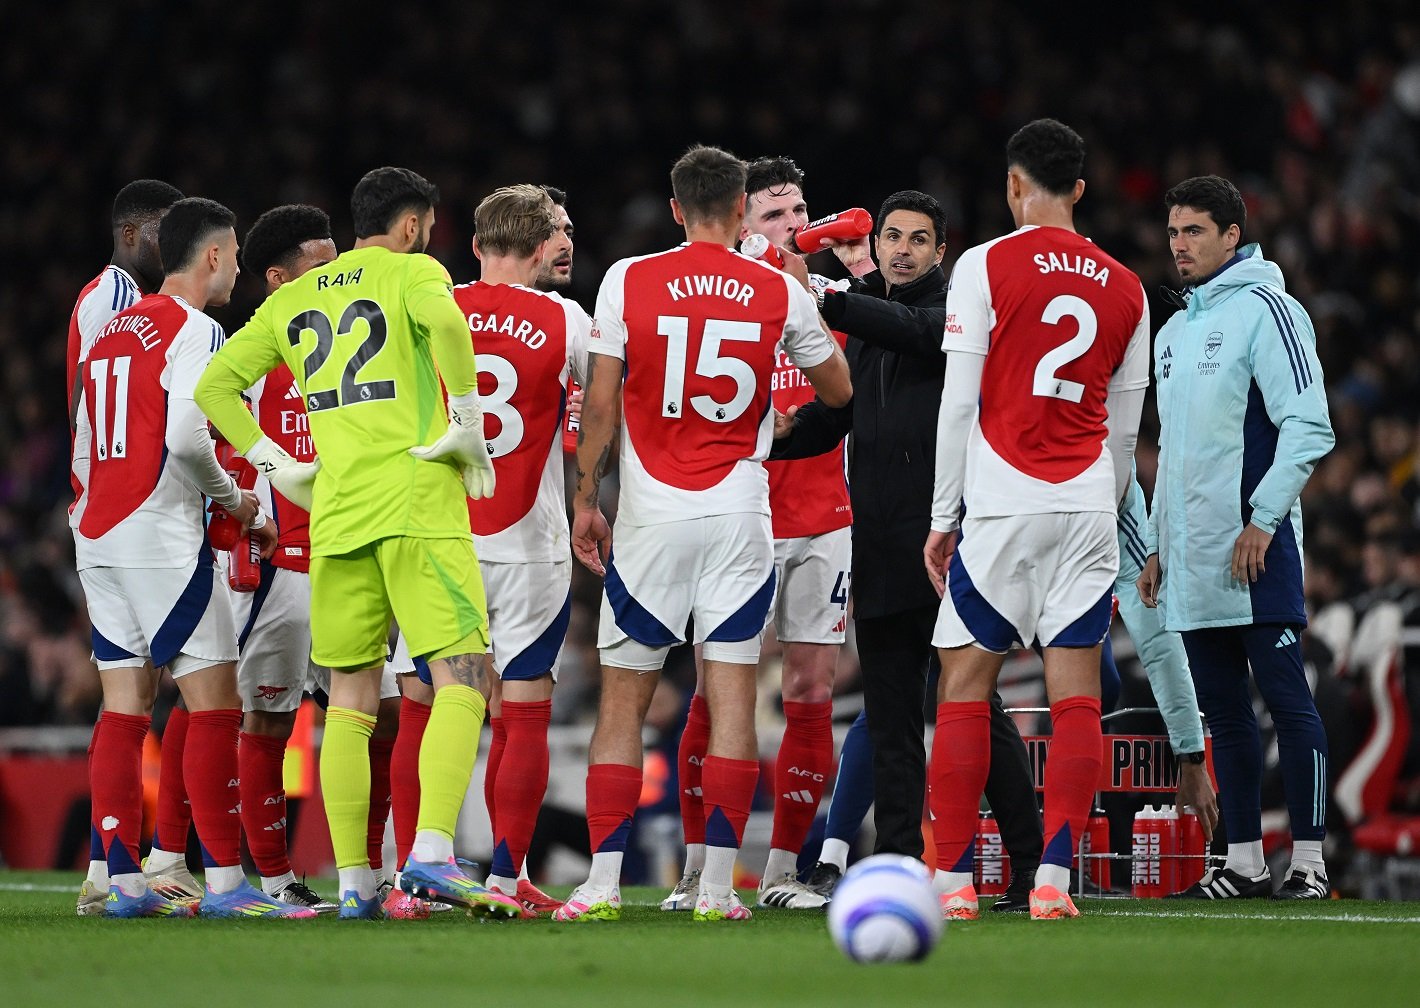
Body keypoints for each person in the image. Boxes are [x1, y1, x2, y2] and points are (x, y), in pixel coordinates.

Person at [194, 167, 518, 920]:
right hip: (415, 501)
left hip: (336, 514)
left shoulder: (298, 295)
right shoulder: (413, 271)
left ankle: (352, 884)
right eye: (428, 228)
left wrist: (277, 465)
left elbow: (214, 385)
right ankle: (432, 856)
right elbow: (446, 326)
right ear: (410, 226)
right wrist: (466, 420)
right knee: (464, 672)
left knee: (348, 699)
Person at [554, 144, 851, 923]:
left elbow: (604, 403)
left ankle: (602, 885)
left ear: (678, 208)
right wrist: (773, 411)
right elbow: (839, 388)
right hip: (740, 518)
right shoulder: (775, 290)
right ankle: (718, 891)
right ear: (741, 203)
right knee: (732, 704)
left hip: (653, 519)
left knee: (623, 704)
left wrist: (588, 498)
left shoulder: (628, 278)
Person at [772, 189, 1046, 913]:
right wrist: (768, 440)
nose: (901, 250)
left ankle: (1031, 865)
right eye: (892, 236)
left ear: (939, 252)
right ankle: (897, 867)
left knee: (973, 711)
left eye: (917, 240)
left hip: (953, 546)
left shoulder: (953, 312)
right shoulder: (868, 321)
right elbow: (840, 419)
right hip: (885, 548)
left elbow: (917, 335)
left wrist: (826, 294)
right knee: (892, 721)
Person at [923, 118, 1149, 920]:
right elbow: (1125, 431)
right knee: (1077, 693)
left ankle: (951, 879)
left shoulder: (985, 265)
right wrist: (1103, 506)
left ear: (1014, 185)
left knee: (964, 683)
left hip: (1005, 502)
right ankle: (1054, 878)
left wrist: (943, 513)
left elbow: (959, 402)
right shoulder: (1127, 286)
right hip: (1087, 500)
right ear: (1080, 189)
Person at [74, 196, 313, 919]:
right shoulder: (198, 328)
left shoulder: (114, 328)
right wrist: (238, 503)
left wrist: (86, 506)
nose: (239, 265)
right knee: (215, 706)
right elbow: (185, 436)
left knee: (123, 709)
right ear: (212, 255)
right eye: (236, 253)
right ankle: (224, 886)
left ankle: (122, 884)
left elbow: (88, 434)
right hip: (159, 531)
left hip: (98, 531)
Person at [1139, 175, 1335, 900]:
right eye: (1172, 233)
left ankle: (1311, 863)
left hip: (1255, 549)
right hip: (1191, 559)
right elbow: (1176, 450)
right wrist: (1158, 542)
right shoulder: (1174, 330)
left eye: (1194, 231)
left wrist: (1264, 520)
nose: (1179, 245)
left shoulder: (1269, 310)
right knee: (1223, 713)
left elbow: (1309, 426)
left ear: (1232, 235)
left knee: (1287, 701)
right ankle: (1245, 862)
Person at [663, 156, 850, 913]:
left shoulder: (834, 297)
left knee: (811, 689)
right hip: (743, 515)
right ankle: (698, 868)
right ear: (741, 221)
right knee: (719, 689)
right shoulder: (723, 296)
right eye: (776, 216)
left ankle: (782, 872)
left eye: (802, 211)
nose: (795, 227)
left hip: (826, 516)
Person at [221, 203, 404, 915]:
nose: (340, 277)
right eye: (322, 267)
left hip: (346, 554)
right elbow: (202, 435)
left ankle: (371, 874)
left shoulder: (349, 342)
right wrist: (246, 512)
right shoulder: (254, 353)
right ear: (277, 279)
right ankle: (274, 879)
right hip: (281, 570)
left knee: (382, 718)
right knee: (267, 722)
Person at [451, 184, 590, 914]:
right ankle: (507, 877)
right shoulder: (565, 320)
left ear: (476, 246)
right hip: (530, 542)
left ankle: (419, 872)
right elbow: (601, 412)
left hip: (441, 538)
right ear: (541, 248)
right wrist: (590, 499)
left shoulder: (432, 310)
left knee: (429, 709)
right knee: (525, 708)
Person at [66, 180, 198, 916]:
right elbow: (116, 411)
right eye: (163, 234)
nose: (171, 248)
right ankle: (136, 862)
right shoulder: (117, 303)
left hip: (106, 512)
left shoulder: (107, 297)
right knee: (163, 688)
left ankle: (102, 867)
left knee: (134, 694)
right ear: (132, 235)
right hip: (130, 513)